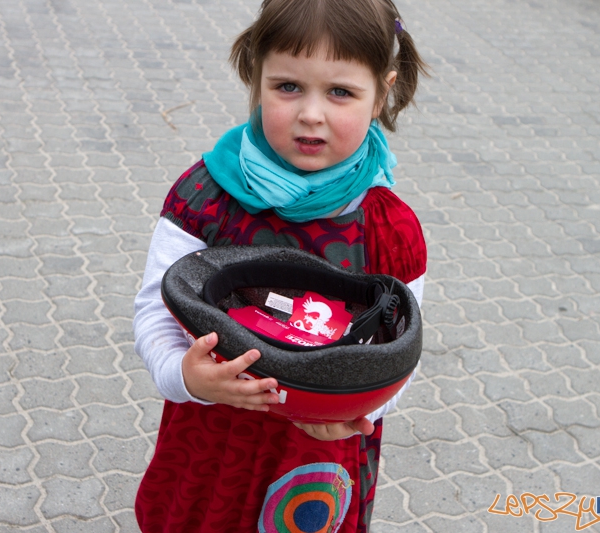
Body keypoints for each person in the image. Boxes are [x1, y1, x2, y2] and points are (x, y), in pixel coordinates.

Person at [133, 0, 428, 531]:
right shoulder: (204, 197)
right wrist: (185, 376)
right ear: (256, 76)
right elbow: (155, 313)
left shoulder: (390, 229)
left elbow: (400, 353)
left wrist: (355, 413)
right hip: (213, 439)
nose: (310, 114)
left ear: (382, 92)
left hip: (314, 459)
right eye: (287, 86)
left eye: (340, 91)